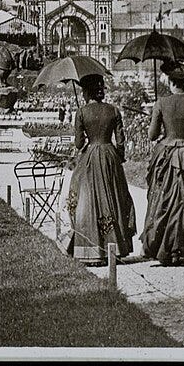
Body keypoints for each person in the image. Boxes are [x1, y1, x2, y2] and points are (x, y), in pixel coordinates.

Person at [140, 62, 184, 266]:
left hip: (167, 155)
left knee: (163, 199)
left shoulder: (161, 102)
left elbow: (152, 135)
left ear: (171, 82)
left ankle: (164, 248)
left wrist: (162, 124)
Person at [66, 73, 137, 265]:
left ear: (86, 92)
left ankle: (92, 249)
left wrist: (82, 127)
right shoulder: (113, 110)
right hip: (109, 155)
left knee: (88, 200)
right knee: (114, 197)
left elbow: (79, 143)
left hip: (90, 157)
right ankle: (115, 248)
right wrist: (118, 157)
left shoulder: (81, 112)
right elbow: (121, 140)